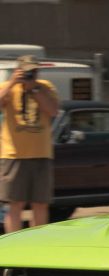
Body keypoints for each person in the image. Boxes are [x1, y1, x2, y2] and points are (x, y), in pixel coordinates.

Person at [0, 55, 59, 233]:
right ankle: (14, 244)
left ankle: (38, 243)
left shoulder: (45, 87)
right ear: (18, 69)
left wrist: (34, 89)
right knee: (15, 204)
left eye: (33, 70)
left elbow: (53, 110)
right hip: (13, 154)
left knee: (40, 203)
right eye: (26, 70)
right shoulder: (8, 88)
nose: (30, 74)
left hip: (41, 153)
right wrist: (12, 83)